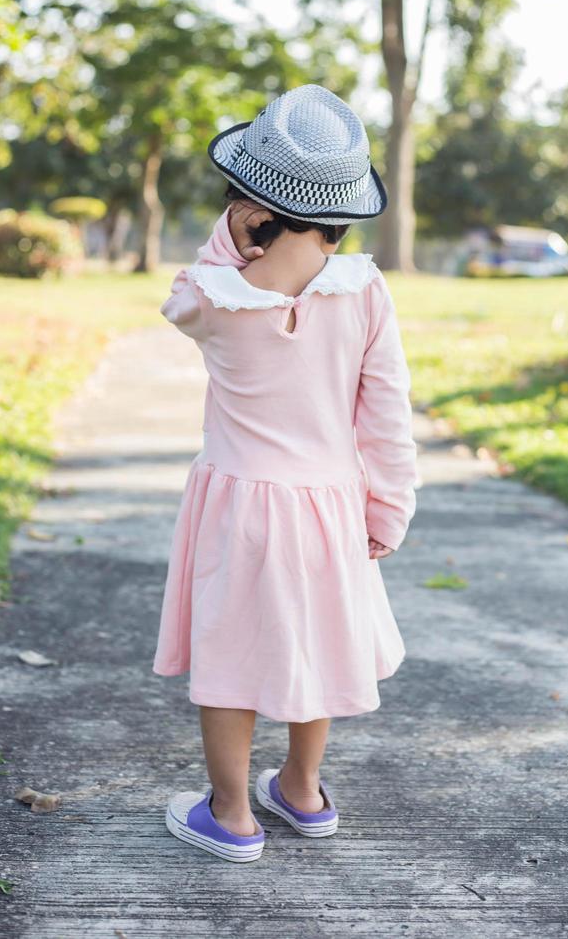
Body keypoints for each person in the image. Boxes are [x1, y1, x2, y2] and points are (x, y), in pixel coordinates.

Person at [152, 84, 418, 863]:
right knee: (318, 643)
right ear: (343, 206)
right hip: (332, 504)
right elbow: (387, 415)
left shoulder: (211, 293)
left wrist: (229, 240)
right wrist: (387, 509)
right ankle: (301, 789)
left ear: (252, 200)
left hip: (239, 503)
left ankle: (231, 813)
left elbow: (179, 301)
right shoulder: (368, 289)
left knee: (230, 654)